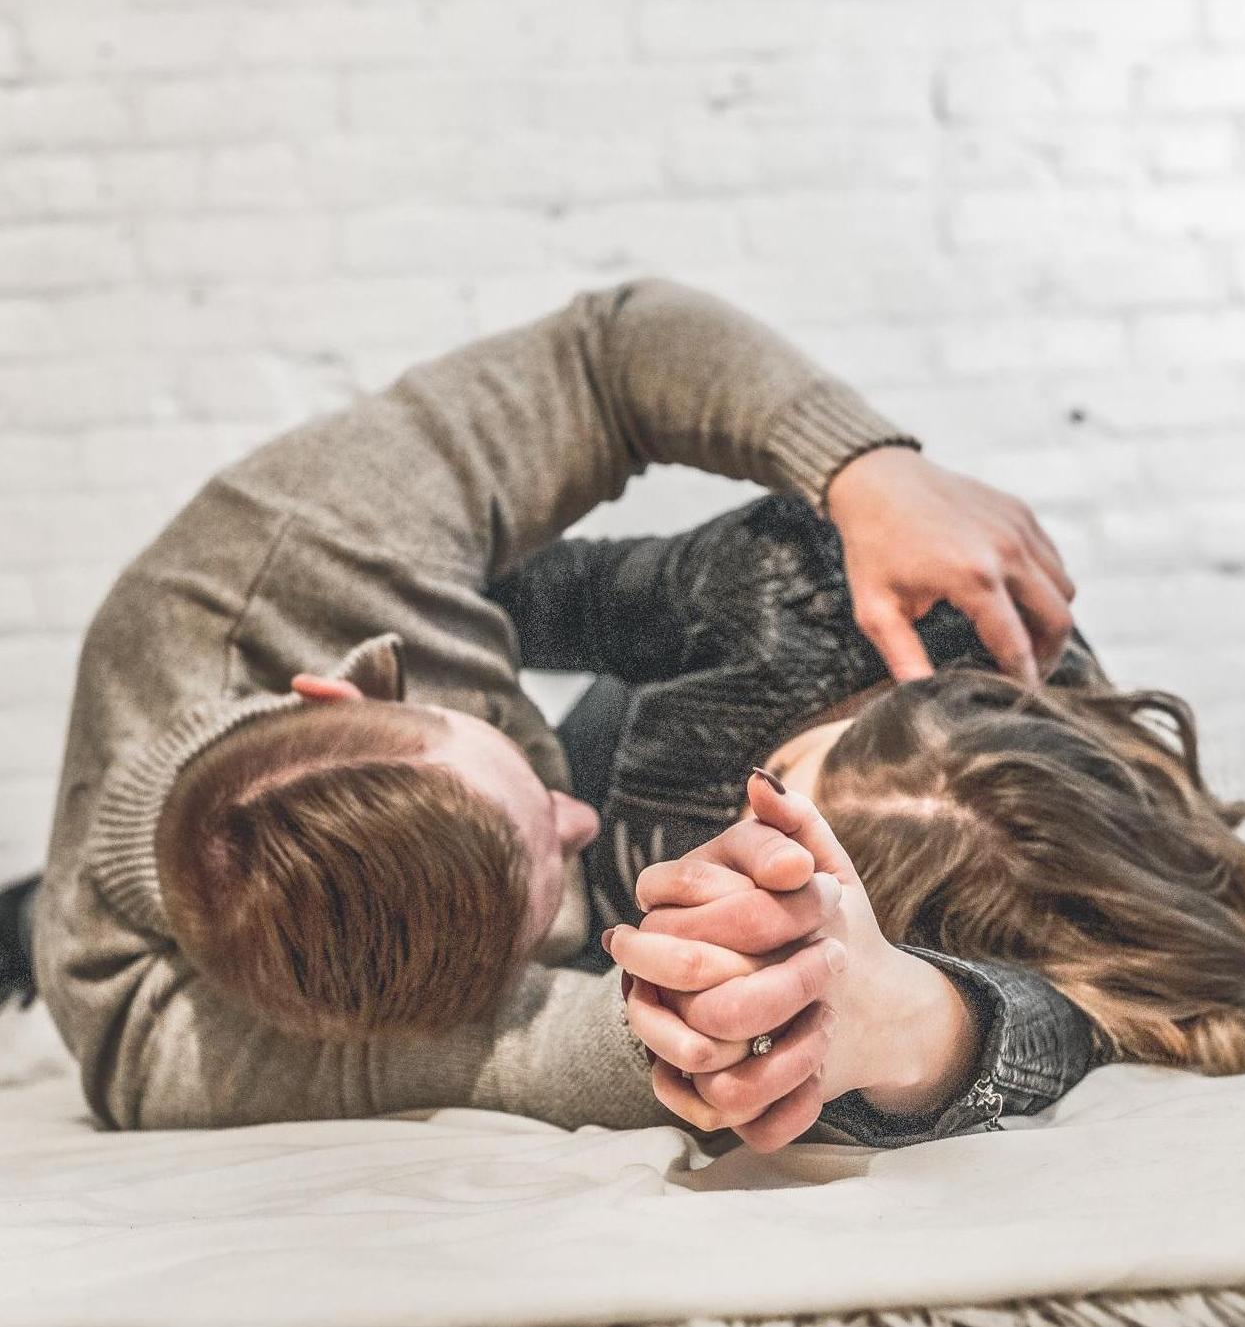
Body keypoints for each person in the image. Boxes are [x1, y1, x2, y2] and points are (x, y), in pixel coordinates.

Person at [24, 278, 1080, 1136]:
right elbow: (540, 1054)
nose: (581, 814)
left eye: (527, 788)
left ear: (348, 685)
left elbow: (608, 354)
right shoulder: (167, 1046)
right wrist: (731, 1028)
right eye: (541, 883)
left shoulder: (307, 539)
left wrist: (864, 468)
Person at [494, 492, 1245, 1149]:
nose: (740, 828)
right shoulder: (797, 587)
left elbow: (1067, 1023)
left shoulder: (1043, 904)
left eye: (793, 852)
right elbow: (487, 592)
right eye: (780, 781)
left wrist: (909, 1022)